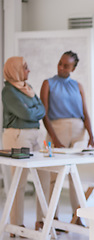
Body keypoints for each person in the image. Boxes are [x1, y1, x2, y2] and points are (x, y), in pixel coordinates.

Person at [39, 50, 94, 228]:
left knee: (75, 176)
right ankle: (51, 218)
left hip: (78, 131)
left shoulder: (77, 85)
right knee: (53, 175)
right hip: (57, 129)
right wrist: (54, 139)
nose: (61, 67)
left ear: (73, 68)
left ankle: (76, 216)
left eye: (66, 65)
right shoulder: (48, 83)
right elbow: (44, 114)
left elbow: (86, 114)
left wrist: (91, 137)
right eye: (60, 63)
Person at [2, 56, 46, 237]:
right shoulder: (8, 92)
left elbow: (41, 109)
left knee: (43, 177)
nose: (28, 71)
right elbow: (26, 113)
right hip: (17, 135)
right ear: (15, 70)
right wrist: (34, 110)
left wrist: (33, 111)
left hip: (35, 134)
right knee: (19, 182)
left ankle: (43, 219)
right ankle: (16, 225)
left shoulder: (29, 88)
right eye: (25, 68)